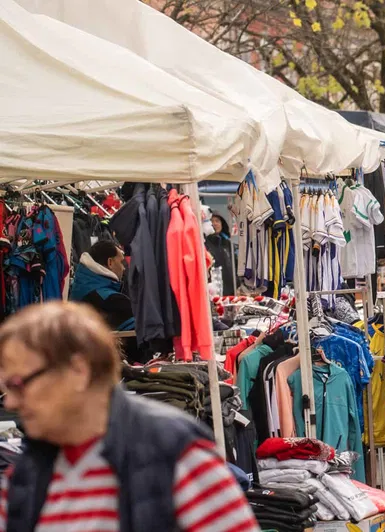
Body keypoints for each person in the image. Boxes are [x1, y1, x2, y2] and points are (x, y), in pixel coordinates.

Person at [0, 302, 259, 532]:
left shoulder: (176, 455)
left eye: (18, 384)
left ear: (77, 371)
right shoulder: (25, 476)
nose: (10, 401)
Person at [68, 241, 134, 332]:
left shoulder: (80, 289)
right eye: (121, 262)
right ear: (110, 262)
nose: (124, 268)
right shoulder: (111, 300)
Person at [205, 213, 235, 296]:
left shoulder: (228, 244)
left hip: (232, 289)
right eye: (211, 221)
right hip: (214, 289)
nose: (214, 224)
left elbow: (234, 264)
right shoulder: (204, 244)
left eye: (217, 221)